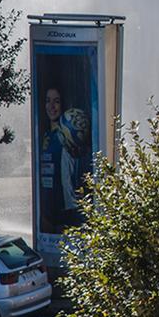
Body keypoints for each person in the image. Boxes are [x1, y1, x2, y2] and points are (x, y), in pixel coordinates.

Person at [38, 87, 92, 234]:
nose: (52, 106)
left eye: (56, 101)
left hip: (69, 213)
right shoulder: (45, 136)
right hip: (50, 212)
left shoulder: (71, 137)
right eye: (48, 101)